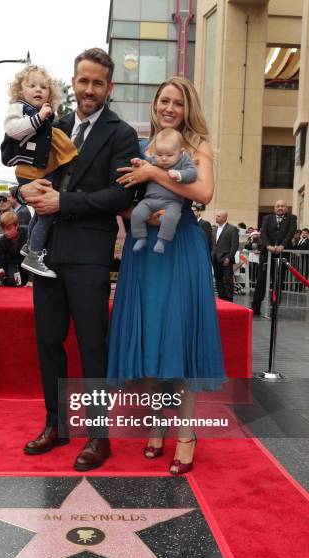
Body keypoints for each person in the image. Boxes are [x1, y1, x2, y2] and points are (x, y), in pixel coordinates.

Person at [19, 47, 139, 470]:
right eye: (83, 81)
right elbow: (30, 174)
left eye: (97, 83)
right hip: (47, 253)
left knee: (92, 346)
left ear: (109, 87)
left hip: (89, 254)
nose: (89, 90)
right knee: (48, 341)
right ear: (73, 81)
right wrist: (25, 193)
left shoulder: (121, 134)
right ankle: (56, 424)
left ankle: (99, 436)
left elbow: (121, 194)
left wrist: (62, 202)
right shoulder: (54, 124)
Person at [108, 76, 225, 475]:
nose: (169, 108)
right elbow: (123, 203)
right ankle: (157, 426)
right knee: (154, 339)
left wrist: (154, 175)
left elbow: (204, 193)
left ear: (187, 107)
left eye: (177, 102)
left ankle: (187, 434)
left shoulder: (198, 147)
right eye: (163, 101)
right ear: (154, 105)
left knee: (183, 339)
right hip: (147, 254)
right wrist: (141, 213)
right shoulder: (141, 148)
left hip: (182, 251)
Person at [2, 65, 77, 278]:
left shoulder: (42, 113)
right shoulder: (19, 108)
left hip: (38, 170)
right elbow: (12, 129)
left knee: (42, 211)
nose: (39, 90)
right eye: (32, 85)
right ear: (20, 91)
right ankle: (34, 254)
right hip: (28, 170)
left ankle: (29, 246)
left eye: (44, 87)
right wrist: (39, 118)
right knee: (47, 212)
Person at [130, 128, 197, 254]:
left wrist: (179, 174)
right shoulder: (155, 160)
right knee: (137, 213)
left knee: (171, 218)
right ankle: (140, 237)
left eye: (169, 155)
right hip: (150, 199)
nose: (164, 159)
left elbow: (193, 173)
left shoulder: (183, 160)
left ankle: (162, 241)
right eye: (160, 155)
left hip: (172, 202)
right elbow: (145, 165)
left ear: (181, 152)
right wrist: (139, 162)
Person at [251, 200, 297, 315]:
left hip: (282, 256)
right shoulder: (267, 218)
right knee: (261, 281)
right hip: (266, 255)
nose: (280, 208)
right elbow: (263, 233)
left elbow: (290, 232)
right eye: (278, 206)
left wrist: (282, 245)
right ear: (274, 208)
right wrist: (268, 246)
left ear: (286, 208)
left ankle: (274, 308)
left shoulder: (292, 218)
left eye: (282, 206)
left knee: (278, 282)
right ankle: (255, 307)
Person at [0, 212, 30, 286]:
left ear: (17, 225)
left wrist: (31, 280)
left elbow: (34, 257)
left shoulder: (28, 233)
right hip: (13, 266)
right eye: (4, 229)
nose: (6, 232)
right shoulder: (2, 241)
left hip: (28, 265)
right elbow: (0, 260)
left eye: (9, 228)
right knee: (11, 283)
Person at [211, 211, 239, 302]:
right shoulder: (214, 229)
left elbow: (234, 245)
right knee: (218, 280)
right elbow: (213, 244)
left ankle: (229, 299)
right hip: (215, 258)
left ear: (224, 218)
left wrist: (229, 257)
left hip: (226, 258)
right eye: (216, 216)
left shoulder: (232, 229)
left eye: (218, 216)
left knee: (228, 280)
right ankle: (222, 298)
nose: (216, 217)